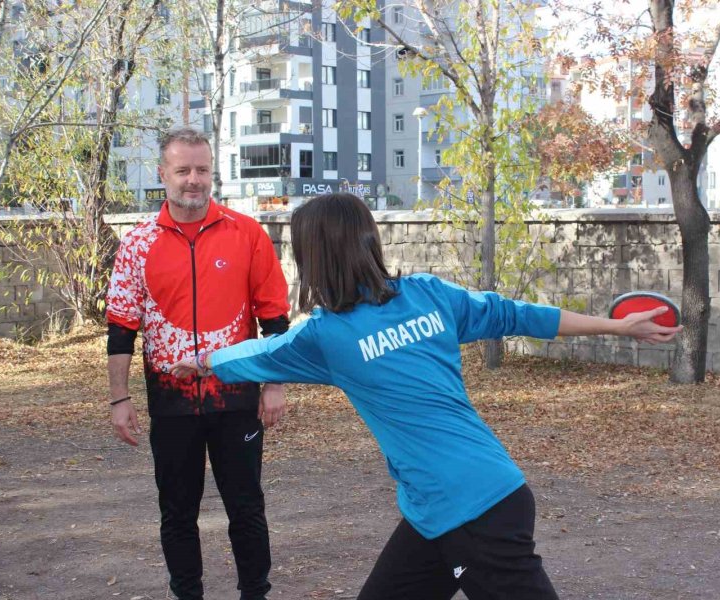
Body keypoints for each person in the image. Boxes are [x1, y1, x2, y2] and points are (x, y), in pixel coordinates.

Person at [169, 193, 682, 600]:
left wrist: (205, 360)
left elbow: (263, 349)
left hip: (473, 511)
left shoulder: (326, 336)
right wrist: (616, 327)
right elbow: (519, 313)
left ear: (316, 257)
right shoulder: (429, 295)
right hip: (445, 505)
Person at [105, 127, 290, 600]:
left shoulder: (246, 233)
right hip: (170, 404)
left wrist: (274, 384)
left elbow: (273, 317)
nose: (193, 180)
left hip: (236, 398)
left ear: (213, 172)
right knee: (177, 512)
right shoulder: (137, 245)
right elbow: (121, 328)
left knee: (246, 508)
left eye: (202, 170)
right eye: (183, 170)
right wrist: (120, 398)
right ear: (163, 173)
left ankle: (256, 593)